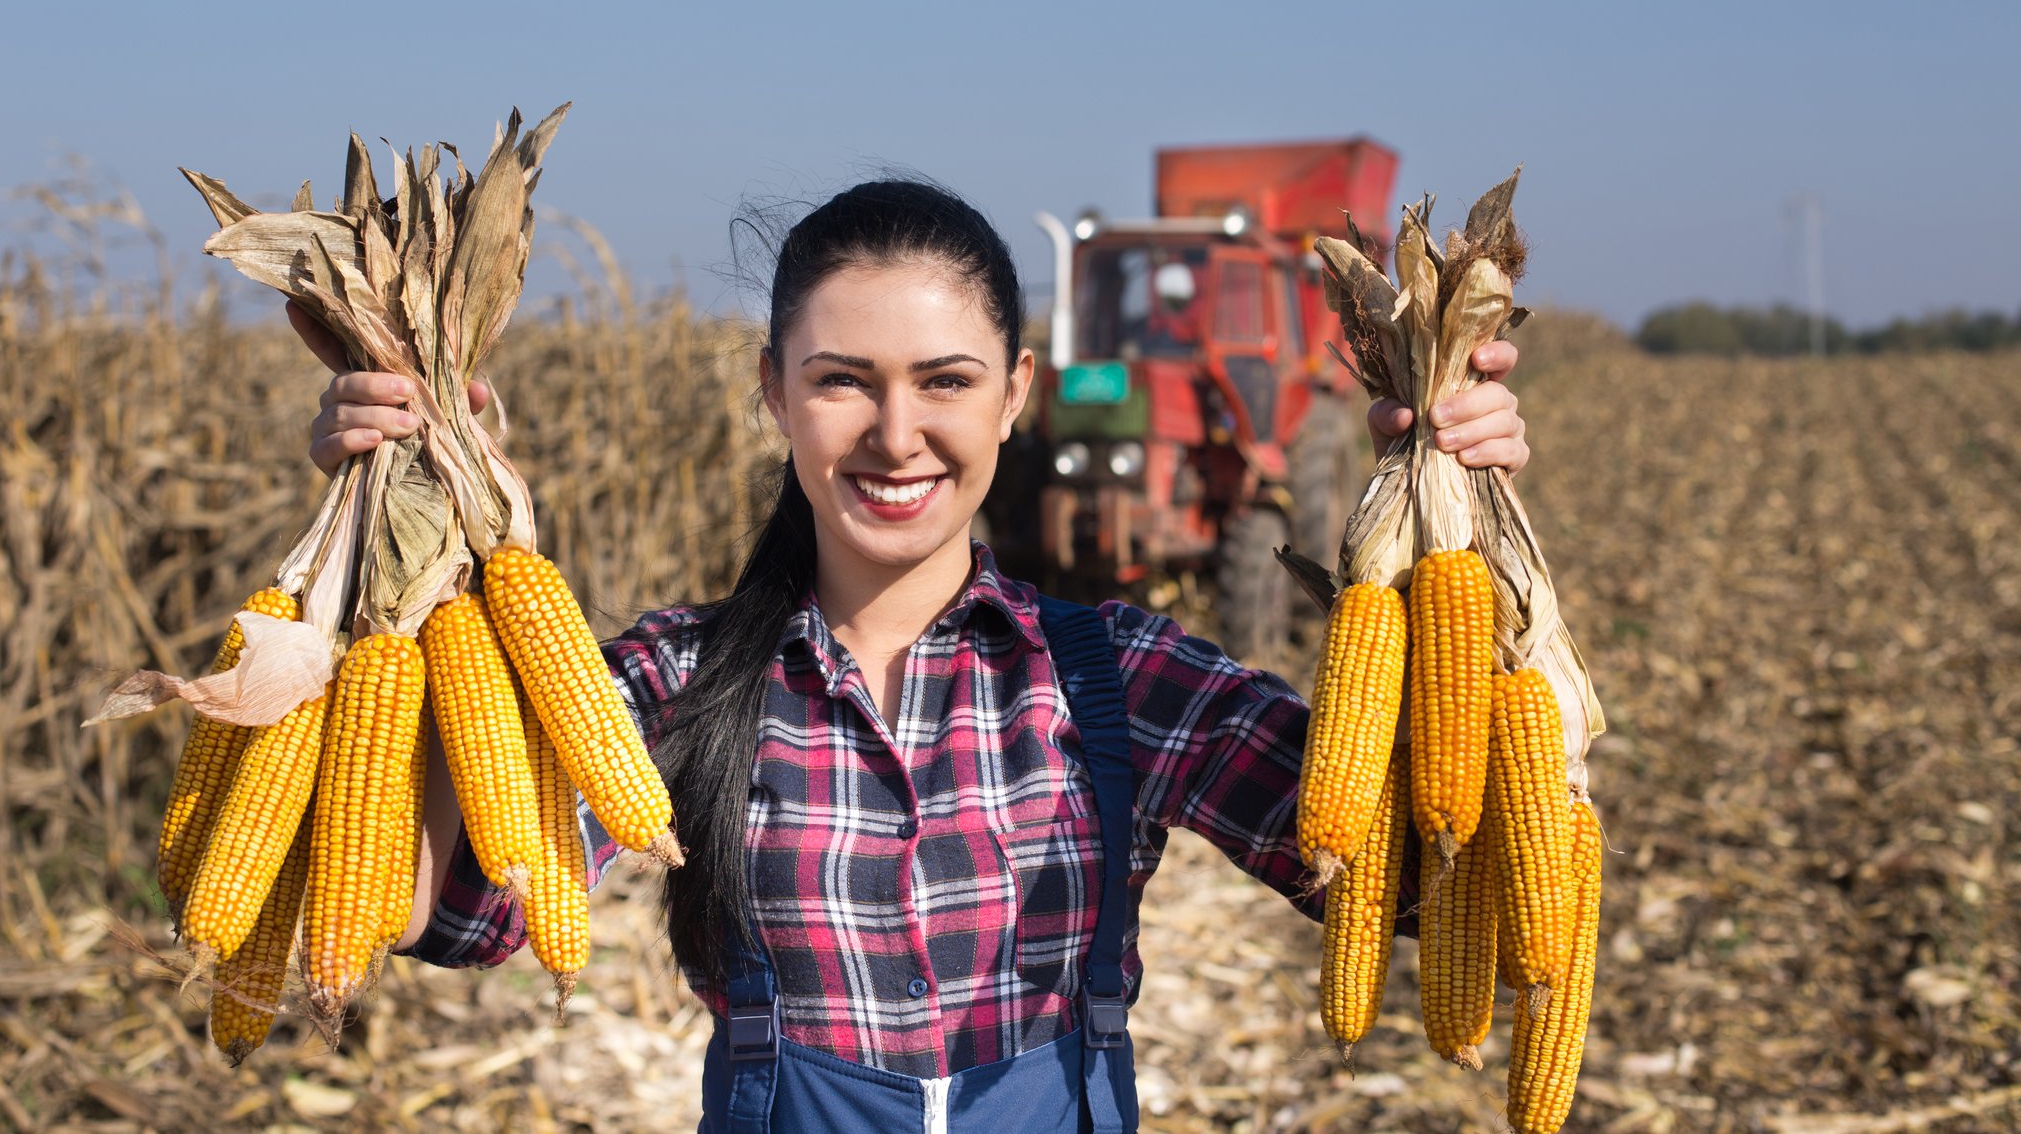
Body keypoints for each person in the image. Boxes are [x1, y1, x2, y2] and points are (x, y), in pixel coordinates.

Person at [292, 178, 1530, 1132]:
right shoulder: (674, 683)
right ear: (775, 393)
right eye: (843, 382)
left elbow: (1433, 884)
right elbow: (445, 913)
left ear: (1014, 395)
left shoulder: (1120, 676)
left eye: (946, 379)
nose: (897, 435)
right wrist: (416, 565)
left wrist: (1457, 545)